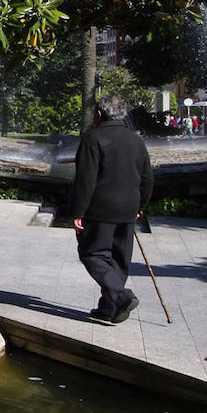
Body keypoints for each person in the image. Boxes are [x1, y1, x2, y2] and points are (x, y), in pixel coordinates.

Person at [72, 94, 153, 325]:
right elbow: (147, 177)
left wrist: (78, 211)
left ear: (99, 114)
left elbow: (85, 179)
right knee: (118, 259)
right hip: (129, 209)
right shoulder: (136, 140)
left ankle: (122, 296)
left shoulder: (93, 138)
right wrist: (141, 205)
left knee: (93, 254)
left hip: (100, 209)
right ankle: (109, 308)